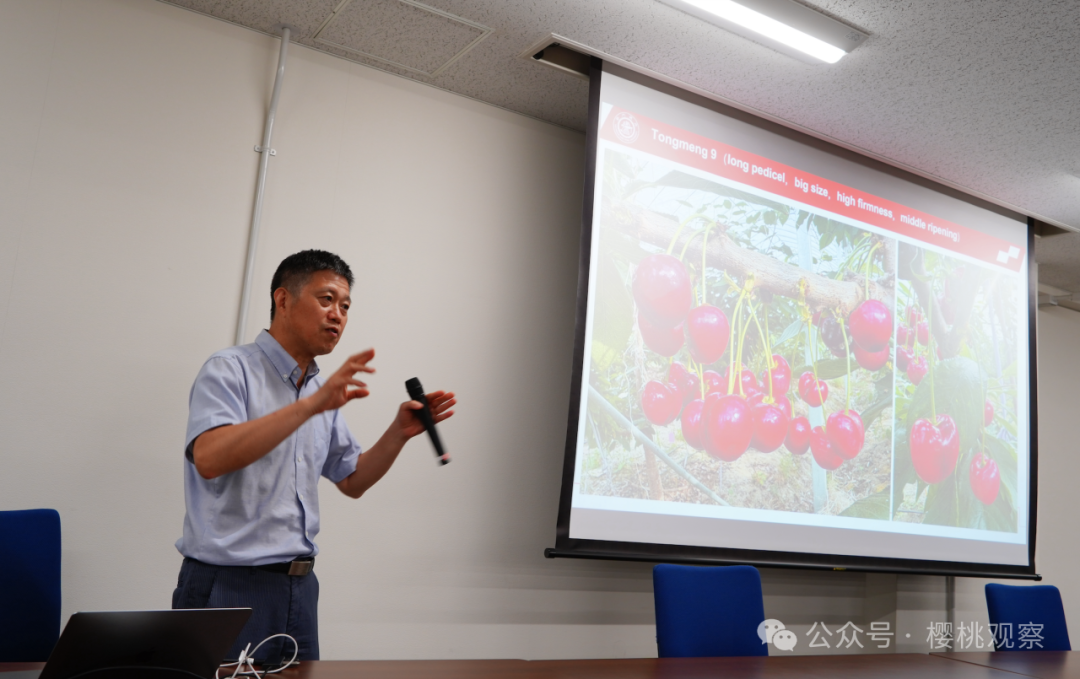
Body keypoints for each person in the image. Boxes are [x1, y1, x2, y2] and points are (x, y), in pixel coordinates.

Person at [172, 249, 454, 662]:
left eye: (345, 305)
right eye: (326, 300)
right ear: (283, 300)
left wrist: (398, 433)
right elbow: (210, 457)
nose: (337, 314)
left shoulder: (319, 392)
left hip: (299, 589)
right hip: (227, 586)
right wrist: (311, 404)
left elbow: (352, 479)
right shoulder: (230, 369)